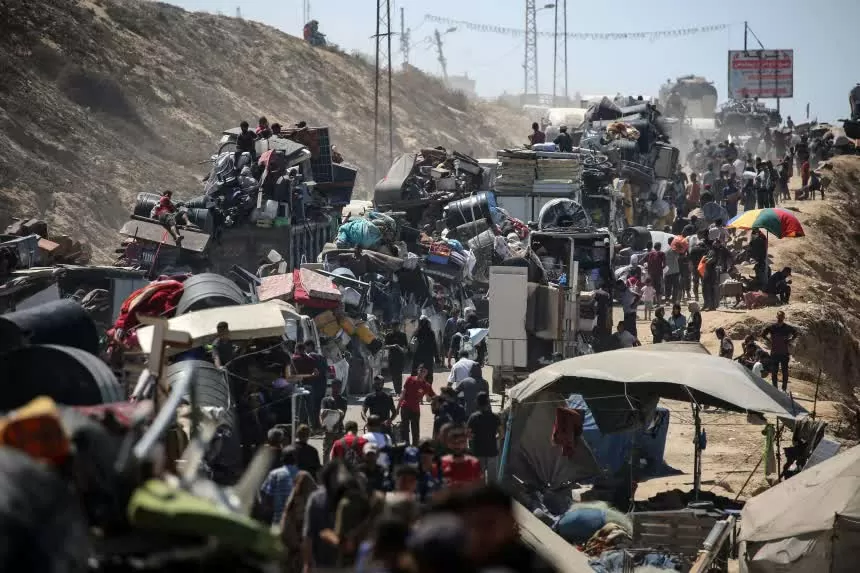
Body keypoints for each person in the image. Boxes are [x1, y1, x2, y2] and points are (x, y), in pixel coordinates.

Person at [435, 484, 559, 573]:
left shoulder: (535, 565)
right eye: (472, 525)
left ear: (511, 523)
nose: (478, 533)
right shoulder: (449, 560)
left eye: (488, 524)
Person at [280, 471, 316, 573]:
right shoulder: (315, 501)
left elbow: (286, 523)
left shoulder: (294, 499)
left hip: (295, 548)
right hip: (305, 549)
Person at [259, 446, 300, 527]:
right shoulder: (302, 475)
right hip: (296, 522)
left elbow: (265, 494)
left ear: (282, 458)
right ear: (296, 460)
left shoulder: (275, 474)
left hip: (278, 519)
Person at [399, 364, 436, 446]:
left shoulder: (426, 385)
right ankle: (406, 446)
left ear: (426, 373)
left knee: (415, 431)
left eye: (424, 371)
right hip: (405, 407)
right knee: (404, 429)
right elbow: (403, 394)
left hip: (415, 410)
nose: (422, 373)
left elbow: (434, 396)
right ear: (417, 370)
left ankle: (415, 447)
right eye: (421, 370)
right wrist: (397, 409)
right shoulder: (409, 379)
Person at [761, 310, 798, 391]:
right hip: (775, 353)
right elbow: (763, 334)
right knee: (774, 372)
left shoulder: (787, 328)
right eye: (779, 316)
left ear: (783, 317)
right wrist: (770, 341)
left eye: (781, 316)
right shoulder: (772, 327)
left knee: (785, 372)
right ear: (777, 317)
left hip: (784, 353)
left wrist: (790, 340)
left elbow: (795, 333)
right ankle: (775, 389)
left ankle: (784, 389)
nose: (780, 318)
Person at [467, 392, 500, 481]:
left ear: (477, 403)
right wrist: (494, 438)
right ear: (488, 402)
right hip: (492, 450)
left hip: (478, 451)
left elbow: (468, 435)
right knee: (492, 479)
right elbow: (502, 433)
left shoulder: (473, 417)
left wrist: (473, 442)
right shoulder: (495, 417)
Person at [439, 424, 482, 488]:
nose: (457, 445)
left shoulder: (473, 461)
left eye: (461, 442)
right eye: (454, 443)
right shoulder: (441, 460)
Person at [320, 379, 348, 463]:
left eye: (338, 387)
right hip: (328, 430)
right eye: (335, 386)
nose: (337, 389)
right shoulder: (325, 400)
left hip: (339, 429)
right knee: (326, 452)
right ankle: (326, 469)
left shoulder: (343, 400)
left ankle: (339, 469)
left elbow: (342, 414)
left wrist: (336, 423)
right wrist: (323, 423)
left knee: (340, 452)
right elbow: (322, 413)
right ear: (332, 387)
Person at [304, 340, 329, 430]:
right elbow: (326, 371)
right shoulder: (321, 356)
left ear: (310, 346)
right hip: (322, 385)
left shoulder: (310, 356)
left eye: (305, 347)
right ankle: (318, 425)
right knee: (318, 406)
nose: (305, 349)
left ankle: (314, 426)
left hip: (313, 385)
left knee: (312, 406)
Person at [384, 322, 409, 394]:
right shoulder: (389, 335)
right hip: (392, 357)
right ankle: (396, 390)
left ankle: (398, 391)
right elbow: (385, 346)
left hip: (400, 358)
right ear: (392, 327)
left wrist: (401, 349)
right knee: (393, 374)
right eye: (394, 326)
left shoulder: (403, 335)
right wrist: (394, 346)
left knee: (399, 374)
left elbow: (406, 347)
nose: (395, 328)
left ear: (399, 326)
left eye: (397, 326)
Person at [664, 238, 681, 303]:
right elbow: (678, 257)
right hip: (675, 271)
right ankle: (674, 299)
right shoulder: (674, 250)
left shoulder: (665, 250)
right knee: (675, 286)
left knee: (668, 286)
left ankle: (667, 299)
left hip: (667, 272)